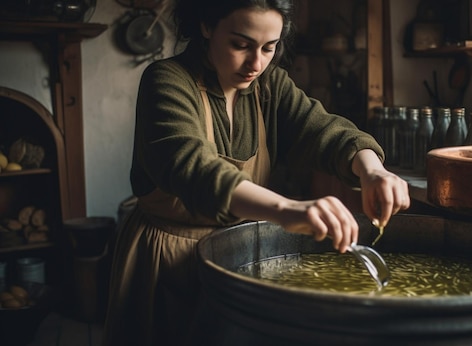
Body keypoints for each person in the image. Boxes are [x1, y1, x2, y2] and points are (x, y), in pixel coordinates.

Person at [102, 0, 410, 345]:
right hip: (165, 258)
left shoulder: (270, 86)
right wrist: (286, 209)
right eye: (241, 45)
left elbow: (323, 130)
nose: (256, 64)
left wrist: (372, 169)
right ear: (206, 26)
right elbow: (192, 166)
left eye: (269, 48)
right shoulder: (166, 80)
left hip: (237, 257)